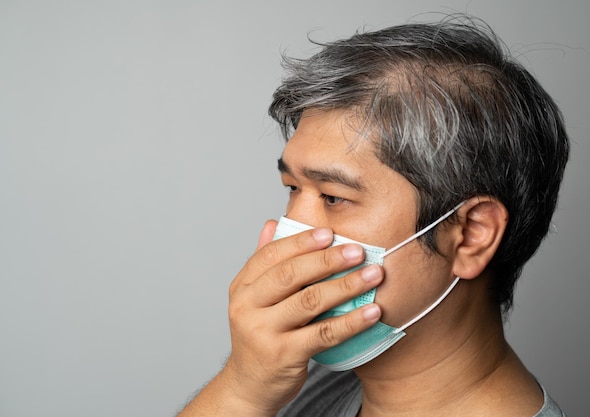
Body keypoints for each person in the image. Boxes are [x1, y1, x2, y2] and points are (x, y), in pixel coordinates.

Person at [178, 15, 569, 417]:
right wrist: (243, 390)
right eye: (293, 188)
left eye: (333, 196)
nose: (290, 234)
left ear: (471, 234)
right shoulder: (300, 381)